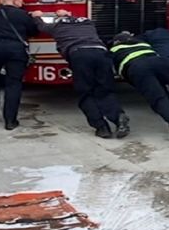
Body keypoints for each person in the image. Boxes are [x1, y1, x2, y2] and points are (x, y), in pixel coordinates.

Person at [33, 9, 128, 138]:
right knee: (105, 90)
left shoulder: (57, 26)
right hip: (101, 53)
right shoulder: (88, 23)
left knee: (85, 92)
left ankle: (101, 127)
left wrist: (37, 16)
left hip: (79, 54)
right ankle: (118, 118)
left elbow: (41, 26)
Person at [110, 32, 169, 145]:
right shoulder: (143, 44)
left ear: (116, 42)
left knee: (158, 97)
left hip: (137, 68)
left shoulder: (114, 50)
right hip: (161, 62)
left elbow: (109, 68)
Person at [0, 0, 38, 130]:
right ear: (15, 2)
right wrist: (34, 17)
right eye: (21, 1)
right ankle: (10, 121)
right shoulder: (22, 14)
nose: (22, 3)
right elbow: (33, 31)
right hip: (16, 51)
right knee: (13, 84)